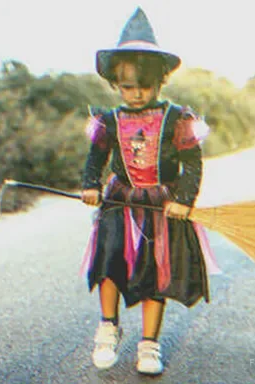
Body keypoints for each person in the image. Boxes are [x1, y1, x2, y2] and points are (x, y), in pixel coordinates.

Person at [79, 7, 216, 376]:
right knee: (109, 262)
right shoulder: (109, 120)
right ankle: (108, 326)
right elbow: (95, 158)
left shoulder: (177, 119)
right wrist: (91, 186)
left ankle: (149, 344)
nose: (136, 93)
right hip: (118, 203)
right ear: (114, 84)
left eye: (144, 85)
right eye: (127, 86)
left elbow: (193, 164)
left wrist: (184, 201)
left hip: (160, 206)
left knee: (156, 272)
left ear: (160, 82)